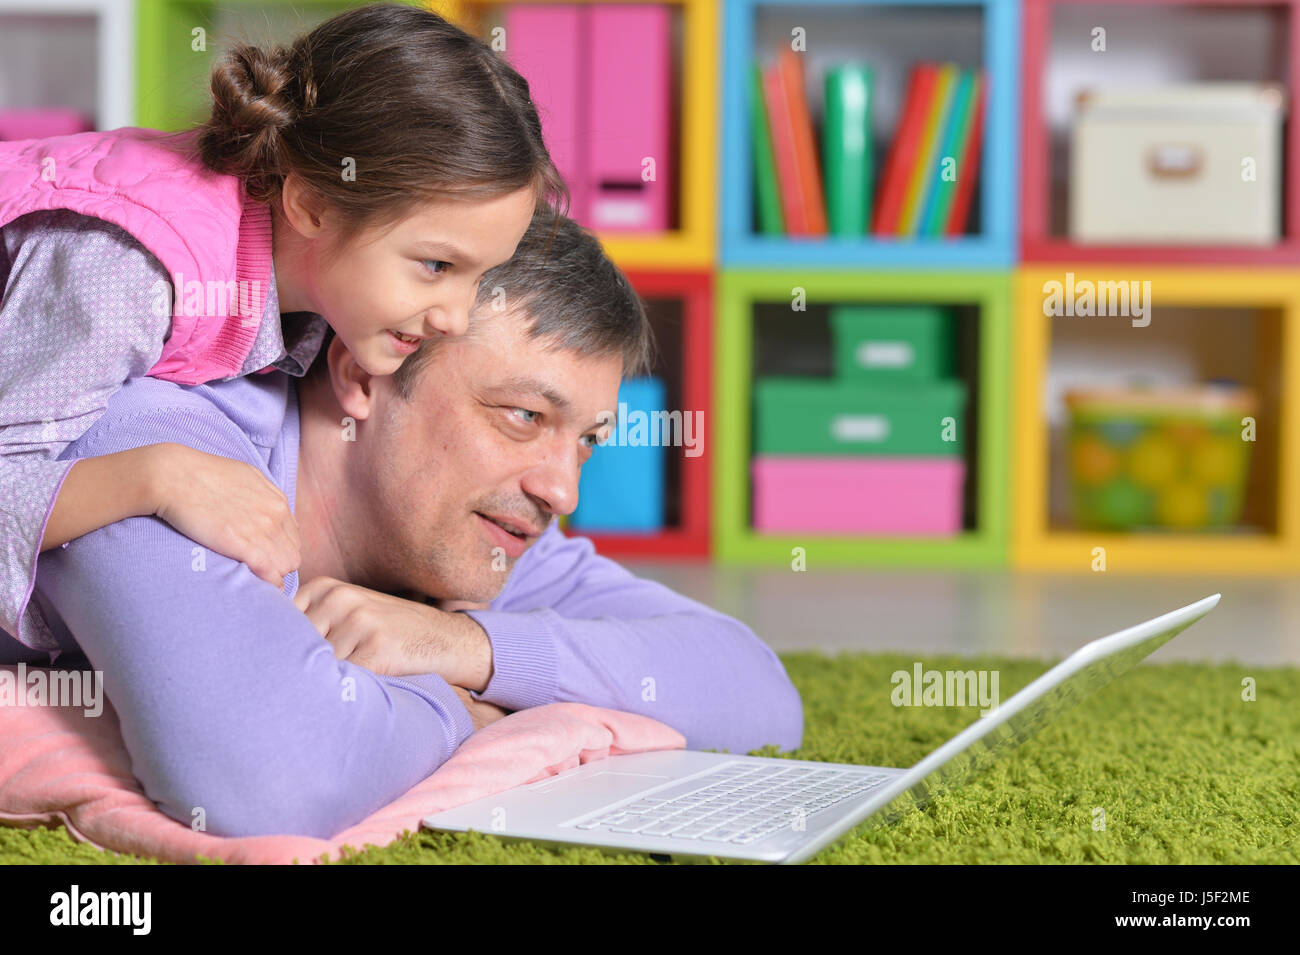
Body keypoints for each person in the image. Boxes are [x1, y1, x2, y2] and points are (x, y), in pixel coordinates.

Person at [0, 210, 804, 840]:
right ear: (363, 372)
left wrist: (467, 647)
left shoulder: (486, 537)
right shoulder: (157, 440)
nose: (562, 488)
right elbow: (271, 777)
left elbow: (761, 694)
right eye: (523, 416)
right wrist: (471, 711)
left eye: (588, 440)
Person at [0, 3, 561, 657]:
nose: (455, 317)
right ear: (312, 205)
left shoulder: (304, 281)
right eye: (436, 265)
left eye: (479, 275)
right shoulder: (129, 270)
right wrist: (159, 476)